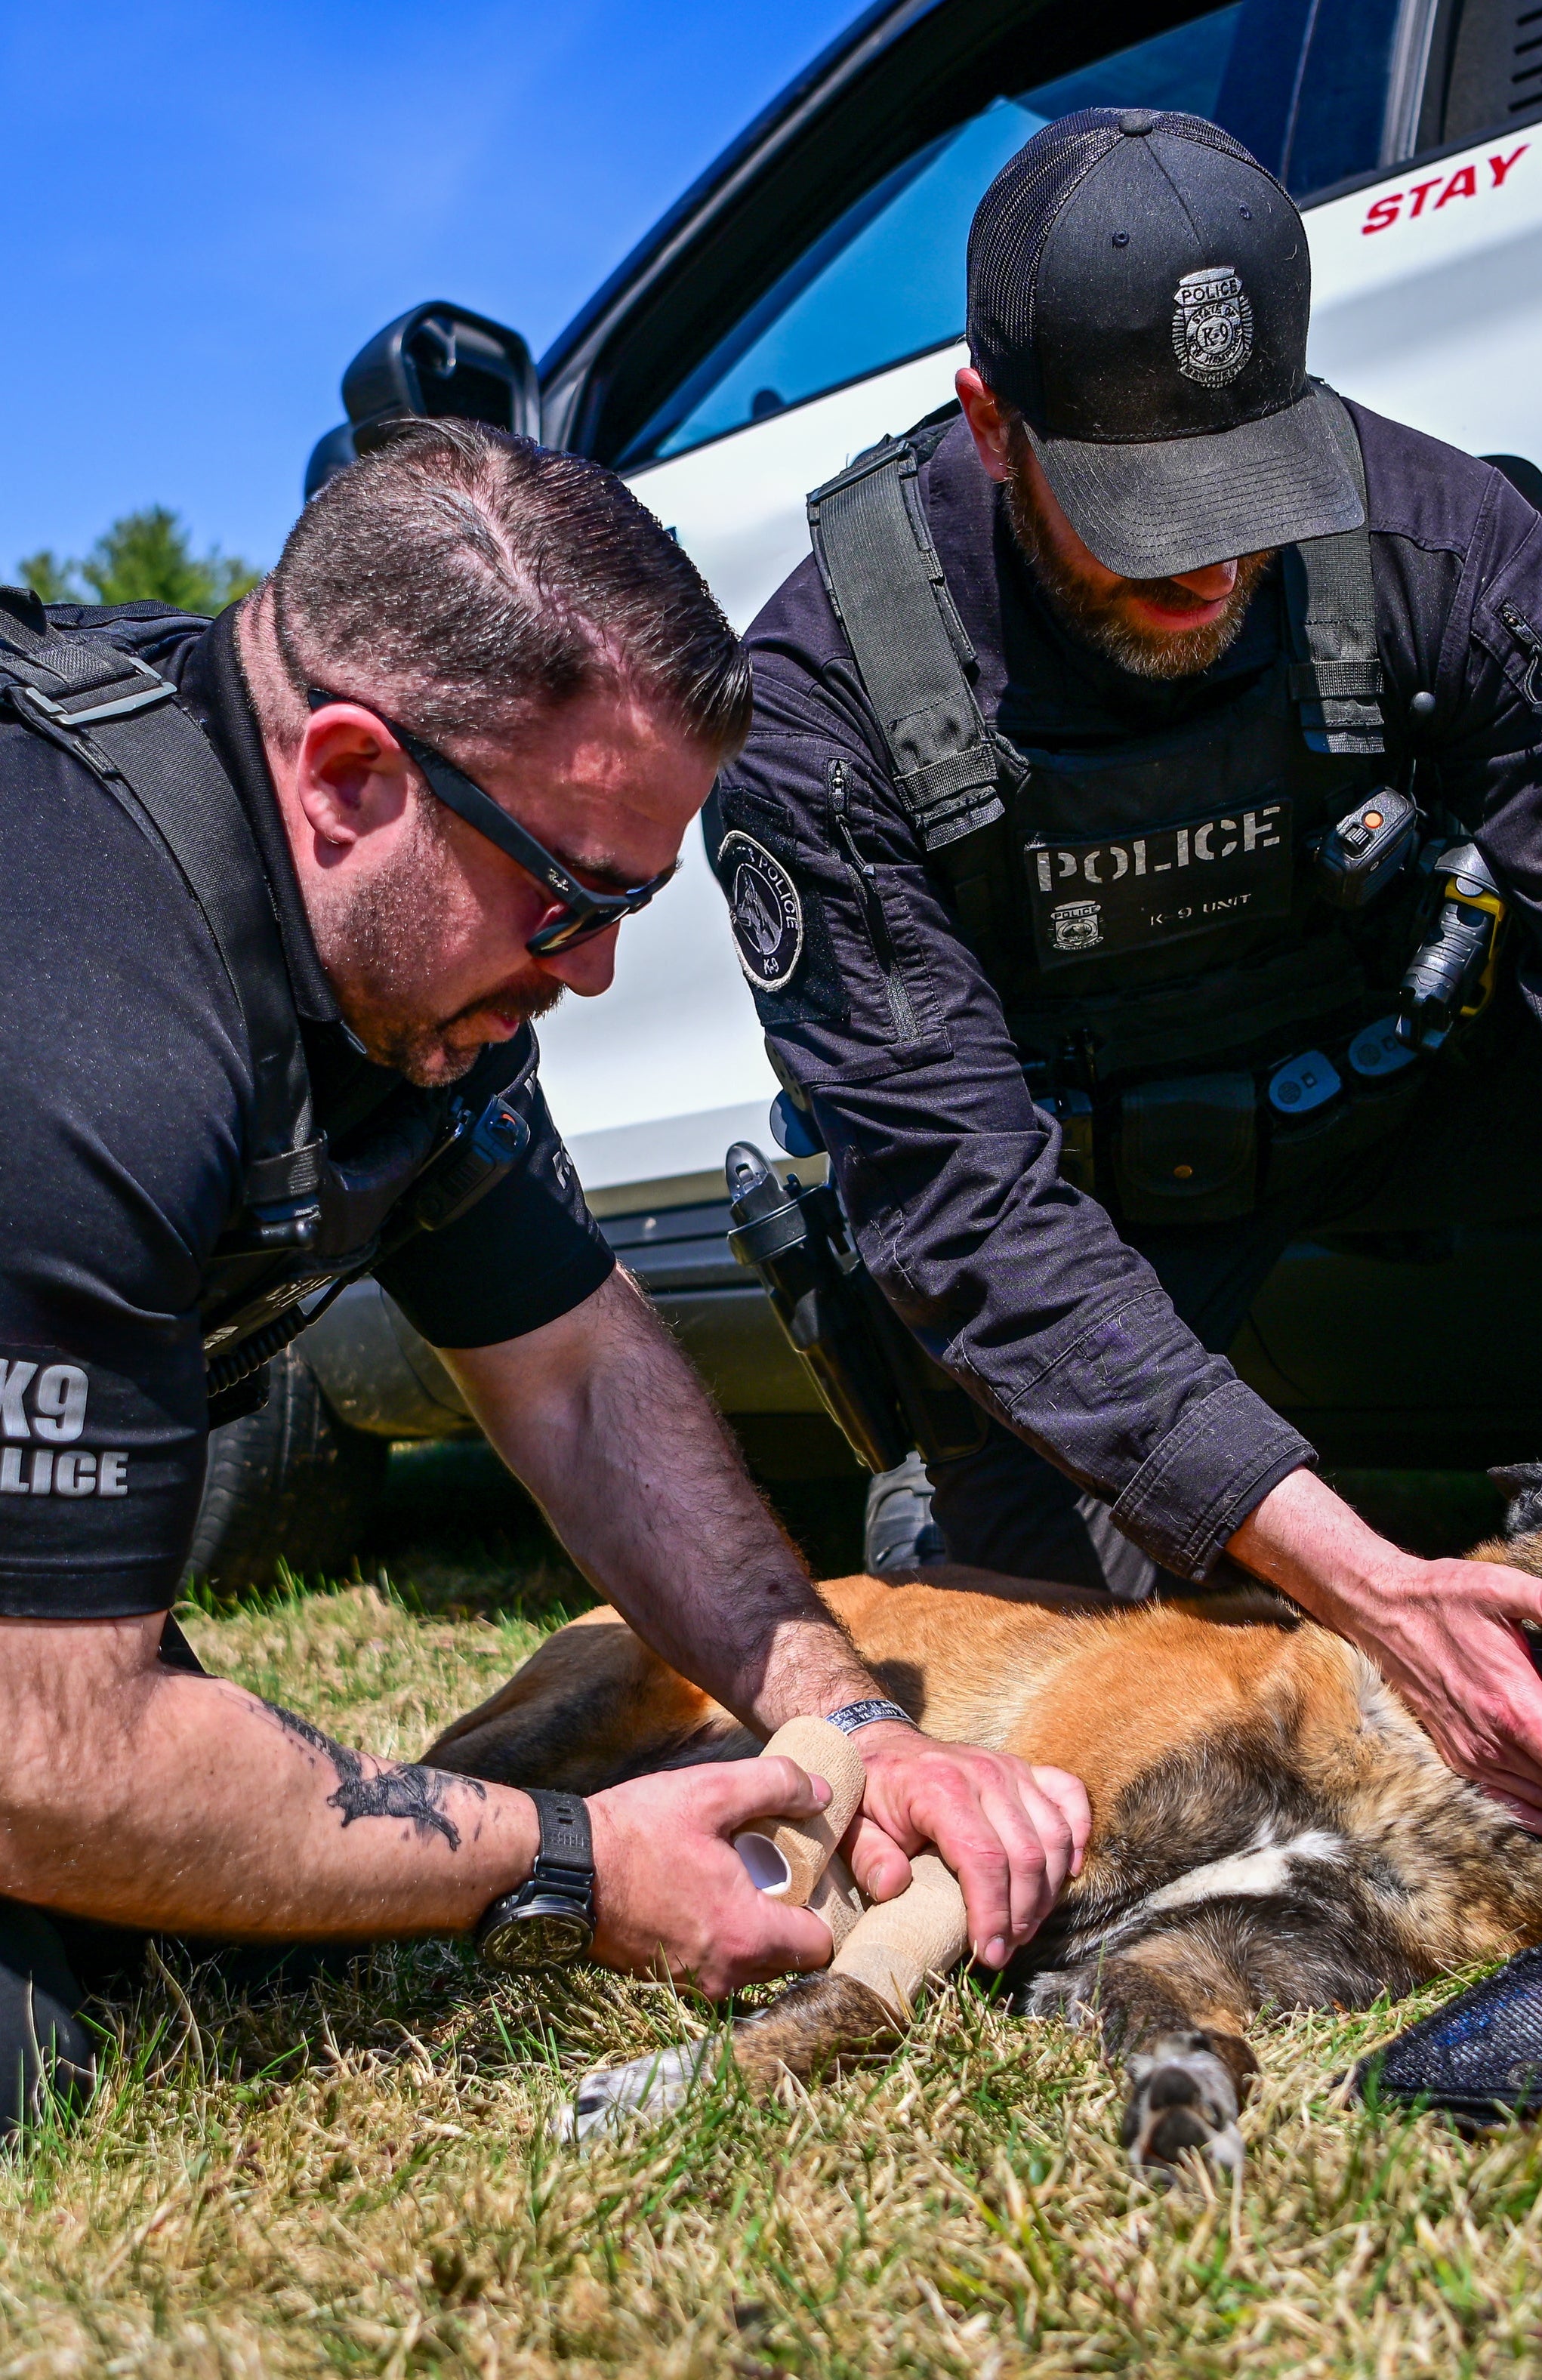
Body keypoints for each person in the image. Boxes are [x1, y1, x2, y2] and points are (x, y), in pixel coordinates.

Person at [714, 107, 1542, 1842]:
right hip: (1088, 1228)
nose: (1211, 570)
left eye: (1247, 497)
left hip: (1401, 1070)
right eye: (1141, 517)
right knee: (1054, 1742)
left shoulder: (1443, 544)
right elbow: (964, 1210)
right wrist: (1366, 1583)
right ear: (991, 426)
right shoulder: (826, 697)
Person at [0, 423, 1084, 2145]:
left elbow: (577, 1373)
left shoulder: (401, 973)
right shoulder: (83, 1014)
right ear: (350, 777)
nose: (590, 971)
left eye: (634, 902)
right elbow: (44, 1760)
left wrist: (853, 1725)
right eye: (570, 893)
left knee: (231, 1926)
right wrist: (580, 1865)